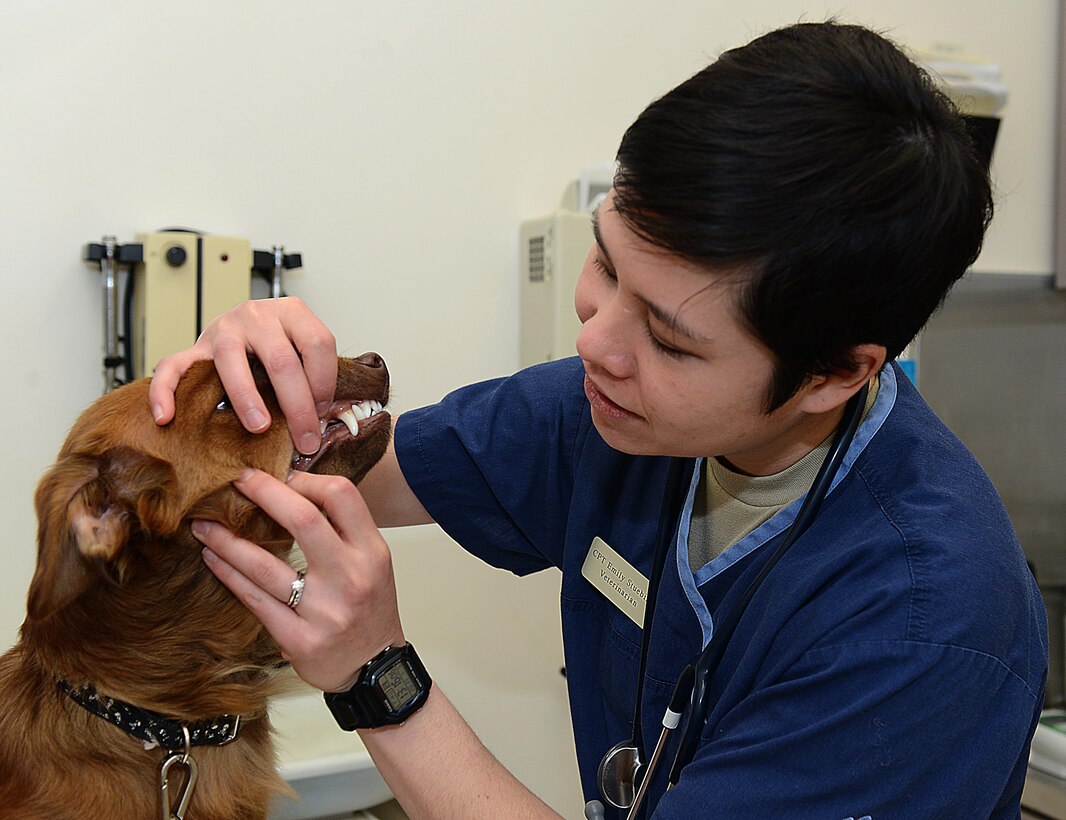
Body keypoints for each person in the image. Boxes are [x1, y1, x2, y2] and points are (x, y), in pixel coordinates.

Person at [150, 21, 1047, 819]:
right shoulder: (610, 417)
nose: (596, 341)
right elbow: (325, 478)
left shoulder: (922, 633)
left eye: (670, 339)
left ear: (833, 375)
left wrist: (377, 678)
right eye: (607, 263)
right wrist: (240, 397)